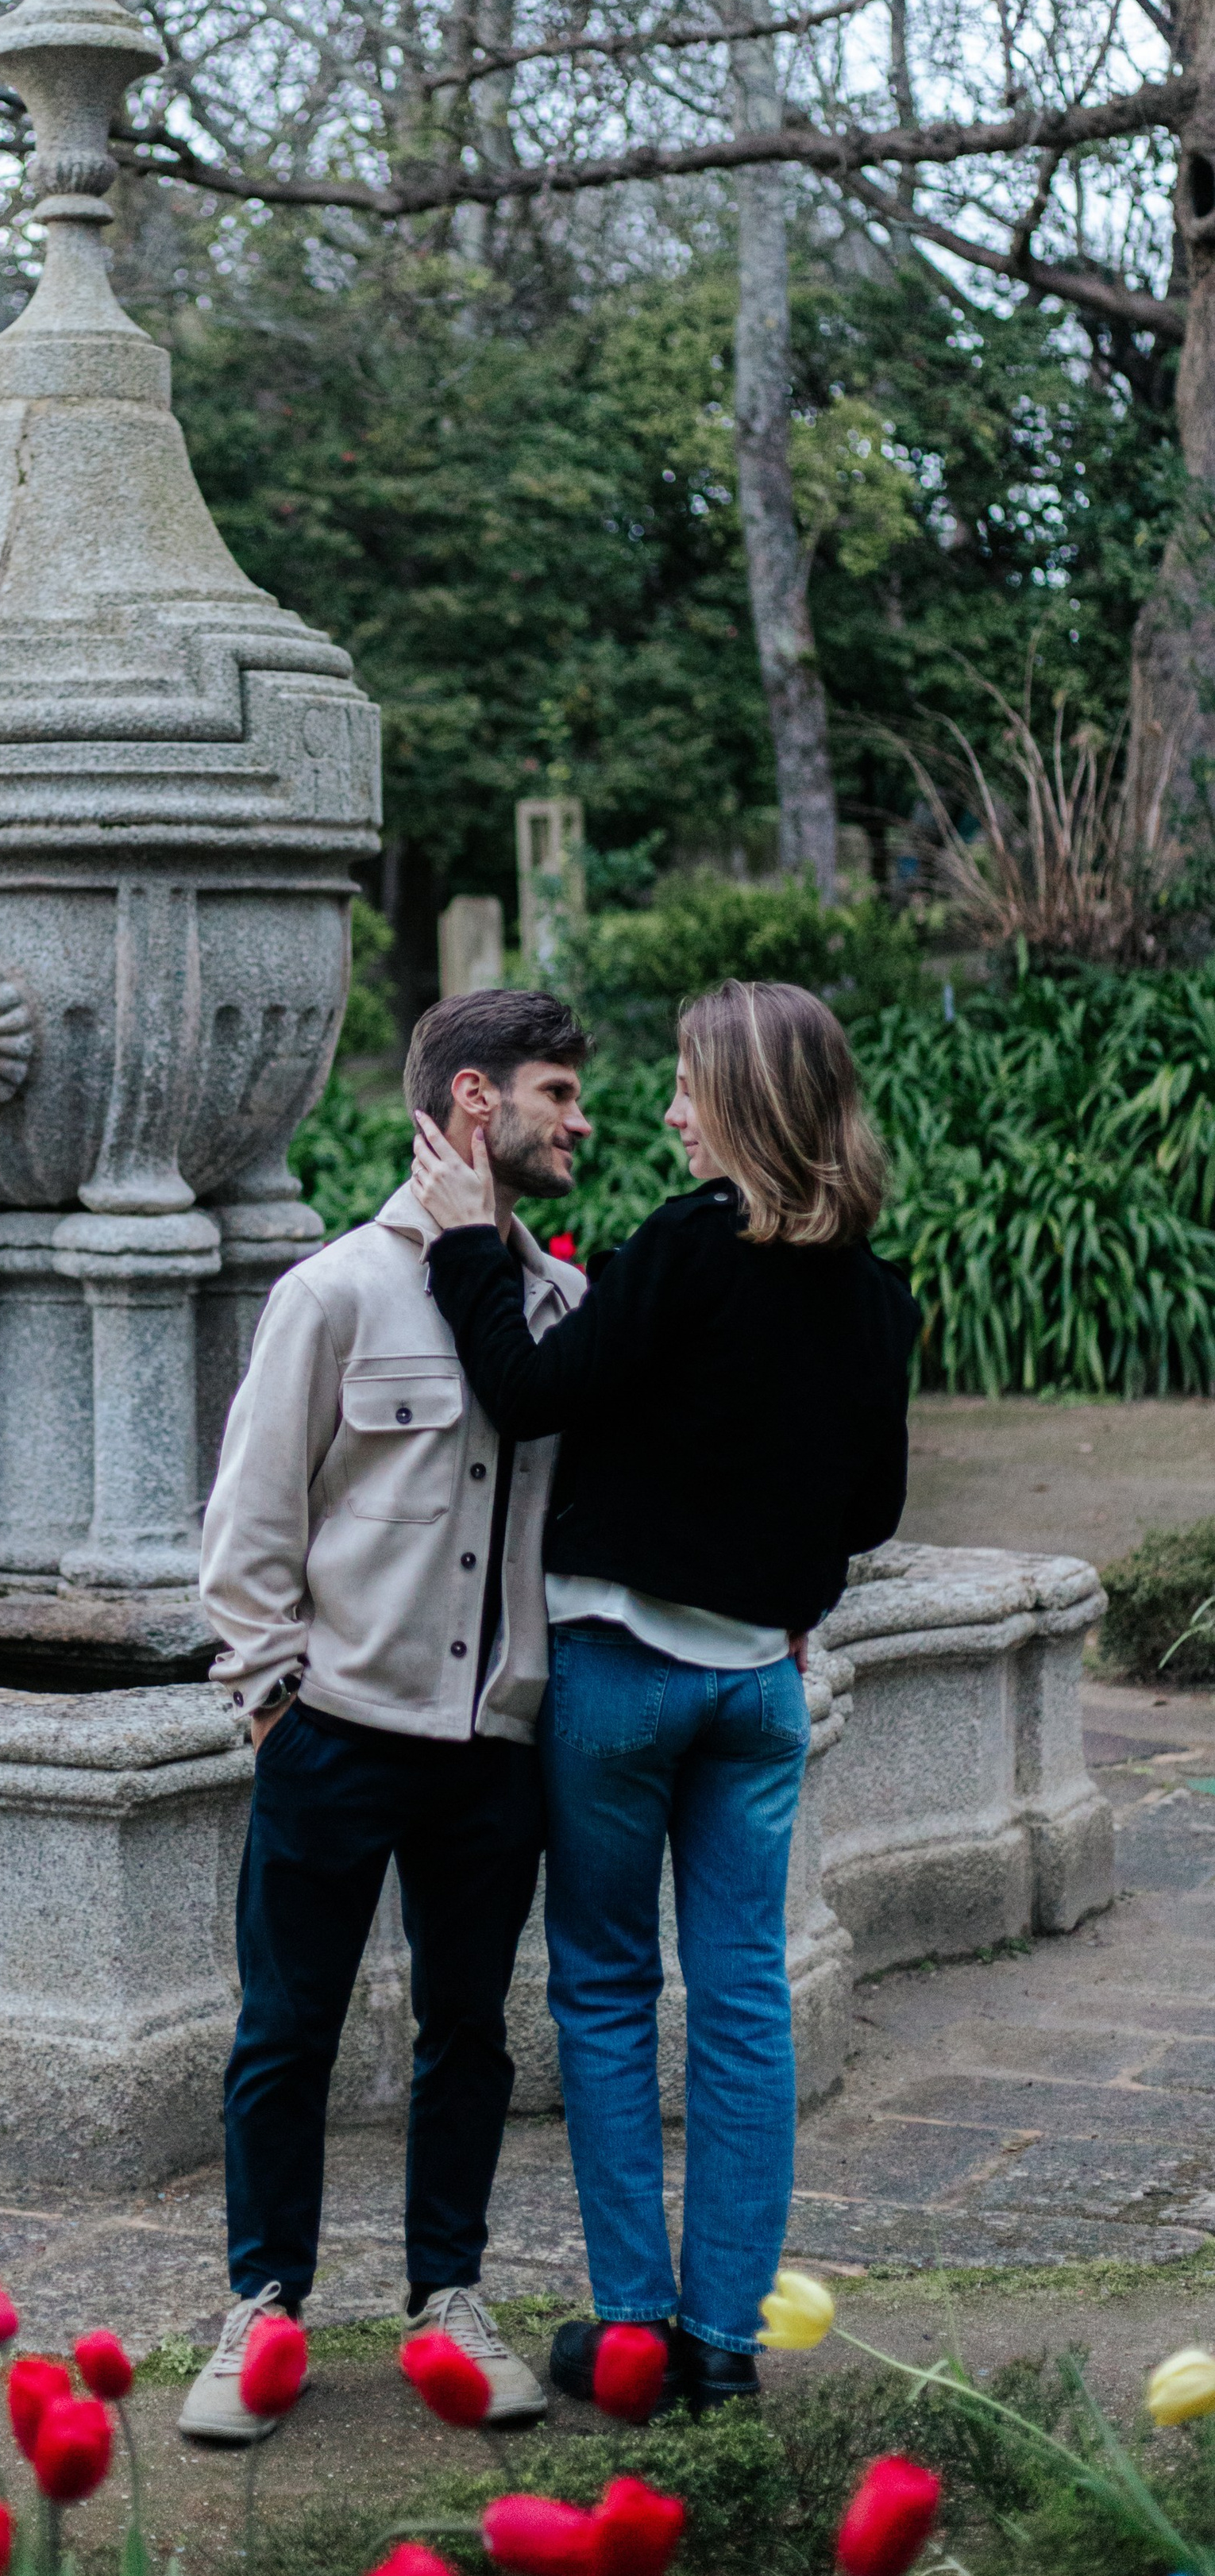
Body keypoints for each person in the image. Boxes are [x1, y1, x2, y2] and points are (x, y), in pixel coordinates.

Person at [409, 976, 916, 2417]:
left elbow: (526, 1387)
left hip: (623, 1682)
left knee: (613, 1991)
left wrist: (462, 1251)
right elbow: (868, 1511)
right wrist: (778, 1584)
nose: (674, 1110)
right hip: (758, 1688)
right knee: (746, 2002)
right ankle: (724, 2346)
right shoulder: (877, 1294)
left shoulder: (690, 1247)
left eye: (695, 1086)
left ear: (747, 1105)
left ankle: (632, 2333)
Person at [179, 990, 594, 2446]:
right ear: (477, 1105)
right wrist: (274, 1708)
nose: (578, 1121)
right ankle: (261, 2309)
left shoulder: (555, 1306)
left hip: (494, 1752)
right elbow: (248, 1528)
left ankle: (448, 2298)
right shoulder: (335, 1293)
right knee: (283, 2032)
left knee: (469, 2032)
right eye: (556, 1092)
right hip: (335, 1737)